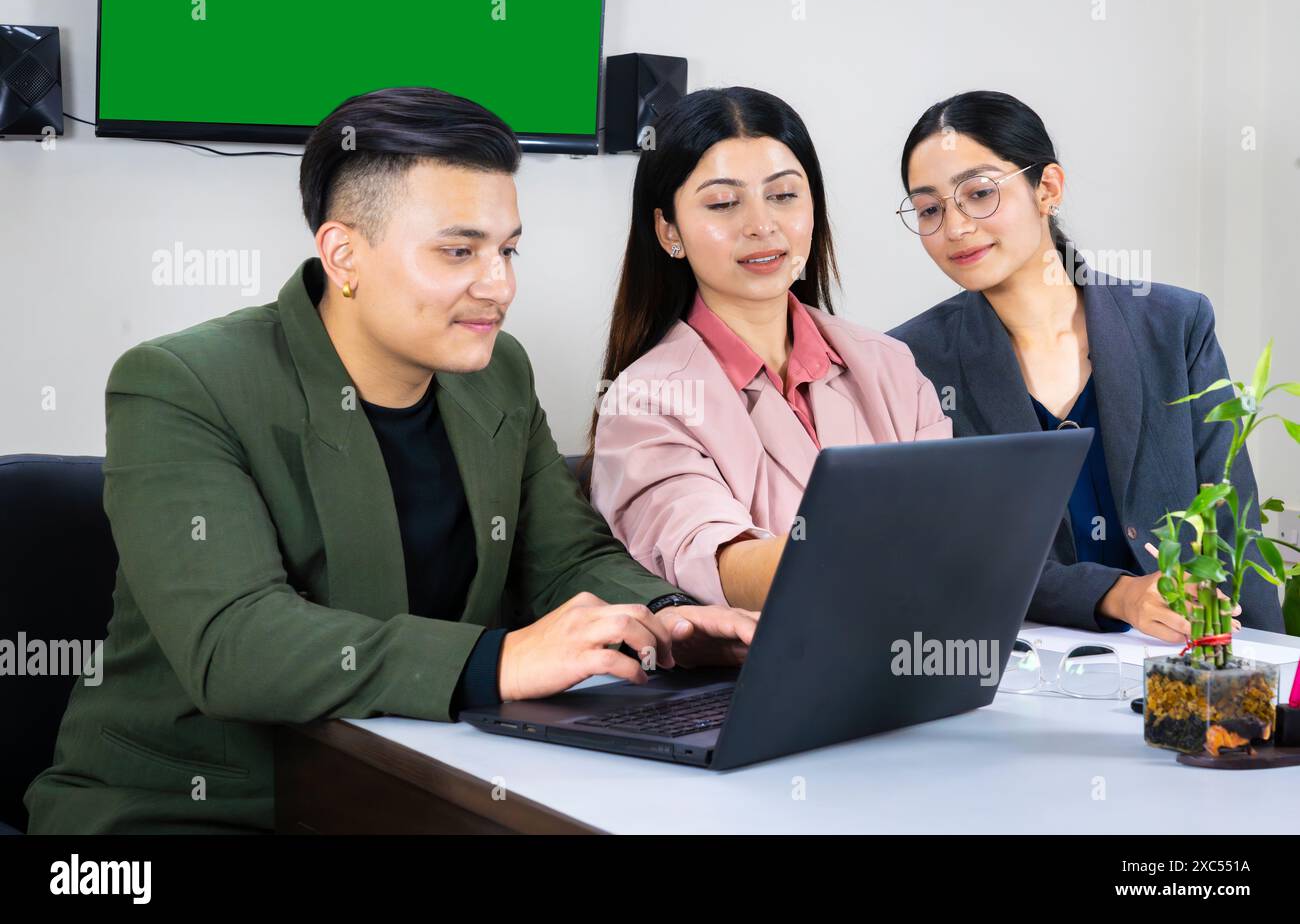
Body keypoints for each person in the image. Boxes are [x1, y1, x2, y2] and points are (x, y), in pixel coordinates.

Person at [25, 87, 754, 834]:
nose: (499, 285)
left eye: (507, 250)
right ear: (344, 255)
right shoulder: (182, 384)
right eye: (458, 250)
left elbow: (565, 559)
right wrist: (491, 662)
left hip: (411, 792)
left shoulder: (499, 372)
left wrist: (670, 617)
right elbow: (233, 641)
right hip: (198, 811)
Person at [887, 90, 1282, 639]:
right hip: (1019, 676)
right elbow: (957, 558)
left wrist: (1274, 677)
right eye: (930, 208)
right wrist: (1118, 594)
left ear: (1046, 188)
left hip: (1187, 659)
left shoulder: (1173, 323)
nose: (955, 228)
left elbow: (1231, 522)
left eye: (979, 194)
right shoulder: (908, 361)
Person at [588, 87, 950, 612]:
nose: (761, 225)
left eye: (783, 195)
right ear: (669, 230)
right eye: (722, 202)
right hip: (765, 674)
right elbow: (712, 557)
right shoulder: (644, 402)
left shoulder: (889, 363)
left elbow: (953, 516)